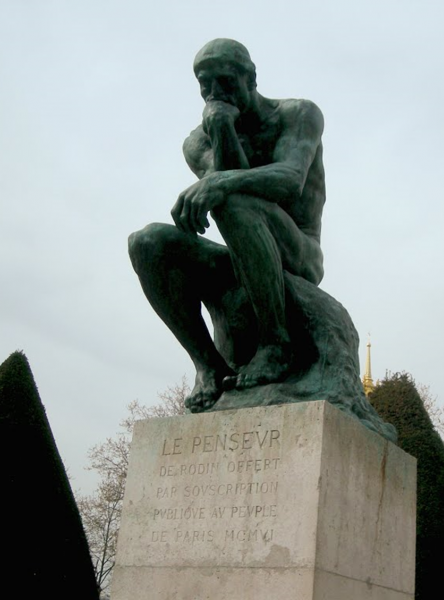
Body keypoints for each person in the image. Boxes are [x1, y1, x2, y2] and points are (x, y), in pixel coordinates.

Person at [128, 39, 326, 411]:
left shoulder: (297, 114)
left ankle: (276, 345)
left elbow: (289, 180)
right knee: (147, 242)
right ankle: (208, 366)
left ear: (251, 77)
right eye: (205, 84)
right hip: (241, 256)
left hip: (298, 251)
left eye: (225, 81)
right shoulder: (196, 141)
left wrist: (219, 182)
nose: (215, 92)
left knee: (231, 195)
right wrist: (220, 128)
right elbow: (228, 181)